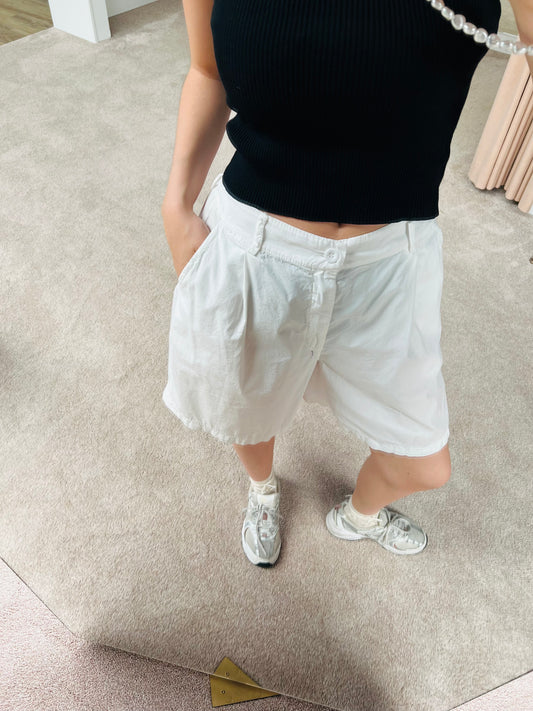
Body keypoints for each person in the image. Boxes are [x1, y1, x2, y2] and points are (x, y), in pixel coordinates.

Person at [161, 0, 532, 566]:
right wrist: (176, 205)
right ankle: (263, 491)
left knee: (424, 461)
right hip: (255, 246)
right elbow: (207, 70)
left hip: (391, 259)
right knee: (247, 407)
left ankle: (358, 516)